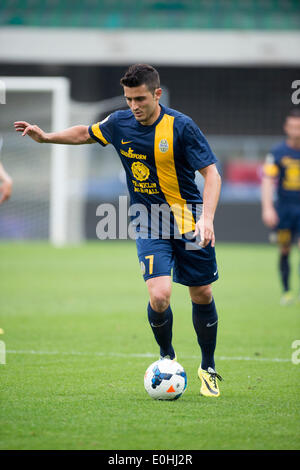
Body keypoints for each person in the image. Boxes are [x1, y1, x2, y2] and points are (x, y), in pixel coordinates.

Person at [14, 64, 223, 397]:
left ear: (157, 94)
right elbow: (86, 132)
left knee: (202, 294)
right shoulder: (119, 121)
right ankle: (167, 357)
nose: (134, 106)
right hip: (149, 220)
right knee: (159, 295)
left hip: (189, 219)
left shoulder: (181, 126)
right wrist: (47, 137)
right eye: (128, 99)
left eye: (140, 98)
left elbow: (212, 174)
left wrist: (207, 218)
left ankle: (208, 366)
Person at [261, 108, 300, 305]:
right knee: (284, 249)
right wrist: (267, 208)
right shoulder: (277, 152)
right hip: (284, 210)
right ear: (287, 127)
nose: (296, 131)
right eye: (293, 127)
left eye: (298, 127)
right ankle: (286, 291)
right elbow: (268, 180)